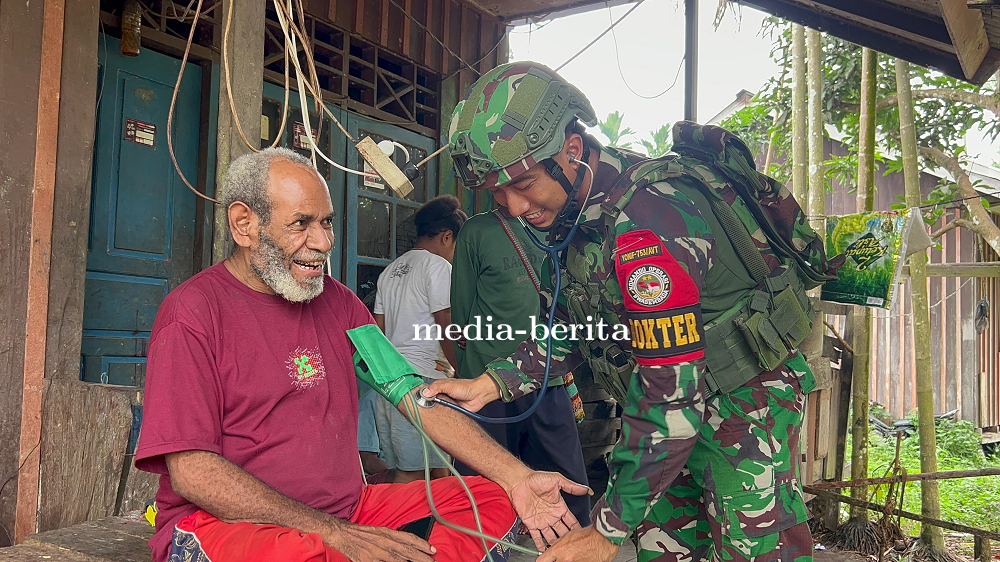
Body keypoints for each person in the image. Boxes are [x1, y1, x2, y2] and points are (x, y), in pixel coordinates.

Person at [426, 63, 839, 562]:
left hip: (739, 412)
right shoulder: (579, 213)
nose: (512, 206)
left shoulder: (648, 219)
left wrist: (605, 531)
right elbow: (582, 329)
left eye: (524, 184)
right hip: (663, 420)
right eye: (496, 193)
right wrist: (490, 384)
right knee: (665, 551)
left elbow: (671, 390)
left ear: (572, 151)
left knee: (755, 552)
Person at [134, 147, 590, 562]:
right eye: (301, 223)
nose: (323, 242)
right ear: (244, 224)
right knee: (308, 555)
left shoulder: (340, 304)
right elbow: (193, 473)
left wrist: (517, 477)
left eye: (327, 222)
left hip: (349, 509)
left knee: (491, 498)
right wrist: (333, 533)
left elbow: (411, 394)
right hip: (232, 528)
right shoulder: (193, 314)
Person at [450, 207, 591, 526]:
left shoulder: (571, 228)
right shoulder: (479, 231)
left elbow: (460, 323)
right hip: (489, 386)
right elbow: (460, 322)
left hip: (541, 378)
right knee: (481, 494)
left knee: (565, 490)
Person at [371, 195, 466, 483]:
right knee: (412, 475)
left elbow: (378, 329)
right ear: (447, 237)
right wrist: (460, 369)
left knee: (436, 471)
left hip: (388, 385)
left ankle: (432, 529)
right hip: (422, 383)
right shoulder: (438, 267)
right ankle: (395, 530)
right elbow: (445, 323)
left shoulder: (390, 272)